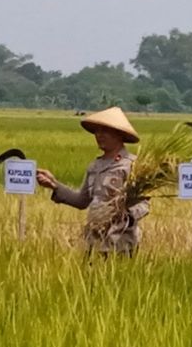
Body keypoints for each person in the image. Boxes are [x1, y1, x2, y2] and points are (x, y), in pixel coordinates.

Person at [35, 106, 148, 256]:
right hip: (94, 242)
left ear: (119, 135)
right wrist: (54, 184)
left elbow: (144, 204)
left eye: (105, 131)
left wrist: (123, 214)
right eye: (97, 131)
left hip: (121, 244)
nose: (99, 135)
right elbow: (82, 201)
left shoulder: (133, 165)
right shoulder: (94, 167)